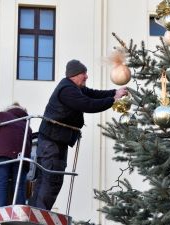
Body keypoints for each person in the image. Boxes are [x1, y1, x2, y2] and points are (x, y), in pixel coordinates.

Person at [29, 59, 127, 210]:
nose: (87, 76)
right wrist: (113, 100)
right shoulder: (67, 90)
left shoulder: (76, 88)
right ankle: (39, 214)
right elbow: (87, 104)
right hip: (52, 142)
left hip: (55, 141)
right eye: (84, 73)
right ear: (74, 75)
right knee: (51, 178)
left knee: (49, 178)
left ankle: (37, 212)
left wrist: (115, 92)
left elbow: (94, 95)